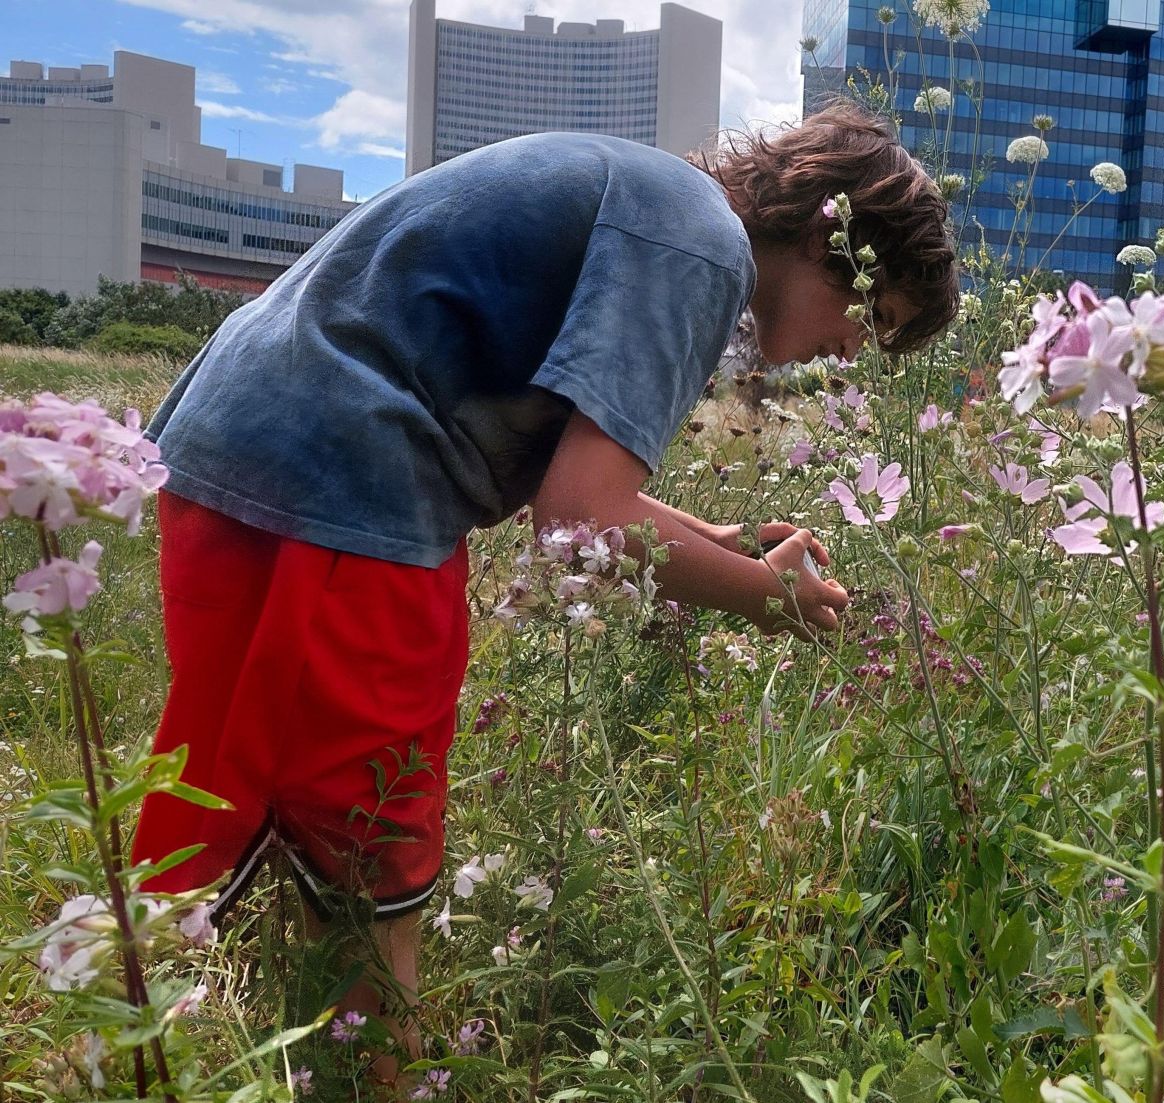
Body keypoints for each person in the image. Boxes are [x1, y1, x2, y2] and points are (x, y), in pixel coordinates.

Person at [128, 103, 958, 1081]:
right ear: (835, 235)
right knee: (373, 845)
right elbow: (582, 523)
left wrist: (718, 542)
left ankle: (144, 1036)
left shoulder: (665, 207)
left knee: (238, 787)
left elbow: (590, 499)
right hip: (347, 483)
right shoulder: (702, 248)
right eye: (875, 311)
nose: (856, 350)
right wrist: (755, 597)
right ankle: (361, 1075)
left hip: (241, 449)